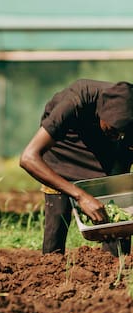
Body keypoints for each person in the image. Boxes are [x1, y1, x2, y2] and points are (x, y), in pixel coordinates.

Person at [19, 79, 133, 256]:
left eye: (124, 132)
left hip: (107, 155)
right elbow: (28, 158)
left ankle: (115, 273)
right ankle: (51, 271)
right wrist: (81, 196)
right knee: (56, 226)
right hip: (63, 151)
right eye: (114, 129)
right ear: (103, 112)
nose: (119, 136)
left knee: (118, 230)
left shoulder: (123, 125)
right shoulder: (76, 100)